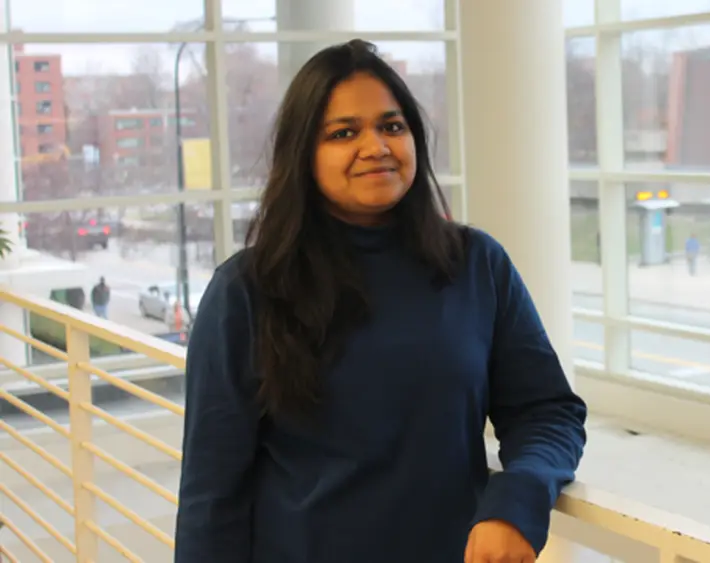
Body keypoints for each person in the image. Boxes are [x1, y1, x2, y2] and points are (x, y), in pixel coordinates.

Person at [174, 39, 587, 563]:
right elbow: (212, 497)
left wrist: (519, 497)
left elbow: (546, 411)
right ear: (303, 155)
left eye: (392, 126)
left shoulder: (476, 264)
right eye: (343, 133)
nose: (376, 146)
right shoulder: (247, 290)